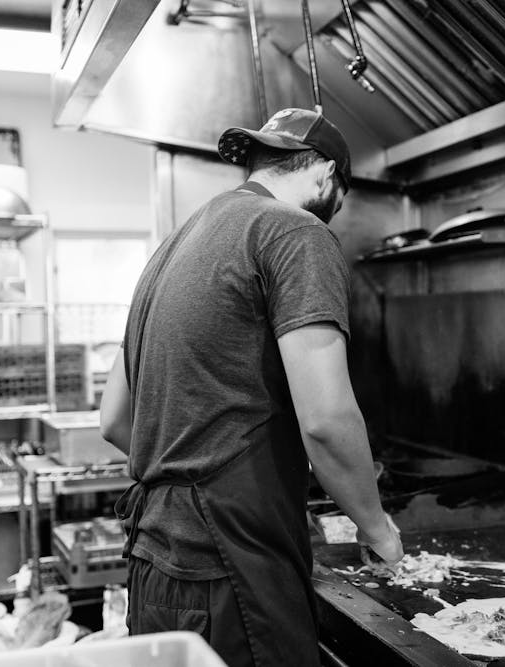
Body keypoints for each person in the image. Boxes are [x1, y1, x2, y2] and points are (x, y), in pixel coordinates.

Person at [100, 108, 403, 667]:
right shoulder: (293, 231)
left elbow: (115, 421)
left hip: (153, 569)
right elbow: (326, 418)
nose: (332, 216)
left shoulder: (170, 249)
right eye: (338, 201)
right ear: (325, 175)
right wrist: (375, 525)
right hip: (232, 572)